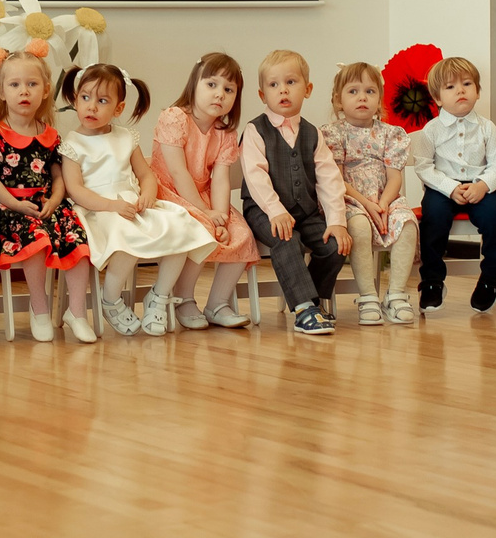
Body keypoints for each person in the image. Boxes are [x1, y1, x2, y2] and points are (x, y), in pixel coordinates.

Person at [62, 64, 216, 336]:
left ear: (118, 108)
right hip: (98, 210)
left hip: (132, 205)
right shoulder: (72, 143)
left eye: (102, 101)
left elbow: (146, 175)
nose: (91, 107)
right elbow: (75, 190)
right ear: (75, 100)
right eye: (85, 98)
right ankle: (110, 299)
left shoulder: (125, 137)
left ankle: (159, 296)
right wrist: (112, 206)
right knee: (126, 239)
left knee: (181, 228)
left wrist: (147, 194)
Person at [0, 52, 97, 341]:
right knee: (37, 238)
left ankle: (77, 312)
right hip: (11, 208)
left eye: (32, 84)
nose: (24, 91)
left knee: (78, 238)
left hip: (48, 206)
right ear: (1, 92)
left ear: (45, 90)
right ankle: (39, 307)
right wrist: (15, 204)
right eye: (15, 85)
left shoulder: (51, 136)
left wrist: (56, 200)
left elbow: (58, 177)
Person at [238, 50, 350, 340]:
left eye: (291, 82)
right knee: (287, 239)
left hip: (305, 211)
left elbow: (329, 179)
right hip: (264, 211)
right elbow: (255, 177)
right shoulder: (255, 130)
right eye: (274, 85)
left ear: (308, 89)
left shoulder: (312, 133)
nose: (283, 90)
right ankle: (304, 309)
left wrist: (337, 221)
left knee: (335, 245)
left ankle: (312, 299)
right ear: (262, 95)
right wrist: (275, 211)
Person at [151, 53, 260, 329]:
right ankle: (184, 299)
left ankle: (218, 304)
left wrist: (220, 215)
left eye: (229, 89)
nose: (219, 94)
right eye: (211, 85)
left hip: (203, 195)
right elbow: (178, 172)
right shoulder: (175, 118)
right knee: (202, 229)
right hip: (168, 192)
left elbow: (221, 178)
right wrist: (205, 213)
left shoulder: (225, 131)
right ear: (194, 84)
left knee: (242, 235)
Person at [412, 56, 496, 315]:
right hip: (442, 189)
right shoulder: (431, 130)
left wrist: (483, 185)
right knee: (433, 219)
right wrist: (449, 187)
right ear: (438, 98)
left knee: (495, 219)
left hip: (479, 187)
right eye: (451, 87)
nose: (460, 91)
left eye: (467, 84)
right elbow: (423, 166)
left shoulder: (487, 128)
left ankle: (491, 278)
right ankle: (432, 281)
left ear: (477, 91)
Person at [327, 63, 420, 325]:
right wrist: (367, 204)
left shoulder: (390, 134)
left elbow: (394, 177)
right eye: (353, 91)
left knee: (408, 223)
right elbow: (338, 179)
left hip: (384, 198)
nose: (362, 97)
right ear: (339, 100)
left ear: (379, 100)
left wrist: (384, 203)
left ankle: (396, 295)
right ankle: (367, 296)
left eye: (370, 91)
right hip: (351, 200)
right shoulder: (333, 134)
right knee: (358, 226)